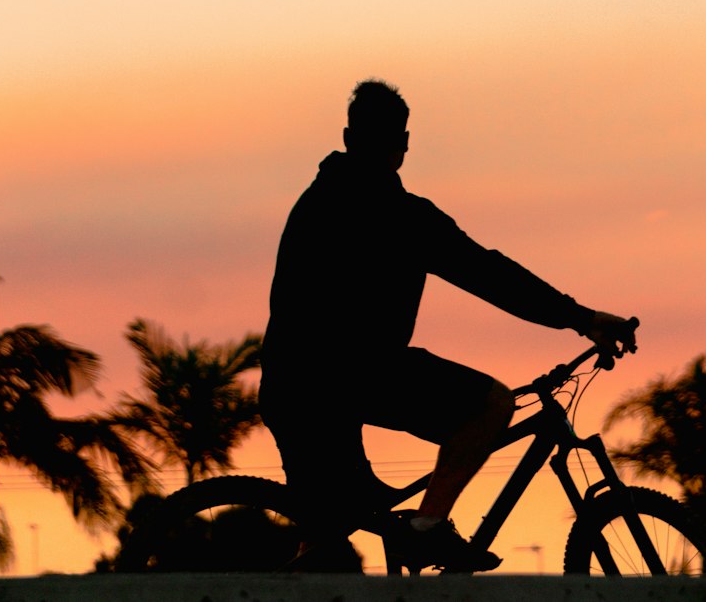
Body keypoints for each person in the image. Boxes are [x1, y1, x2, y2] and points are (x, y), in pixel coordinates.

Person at [258, 79, 637, 572]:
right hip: (349, 377)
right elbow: (491, 275)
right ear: (404, 145)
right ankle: (428, 528)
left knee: (328, 542)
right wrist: (582, 319)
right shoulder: (404, 218)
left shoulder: (316, 201)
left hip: (294, 389)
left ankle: (363, 546)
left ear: (349, 138)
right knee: (492, 404)